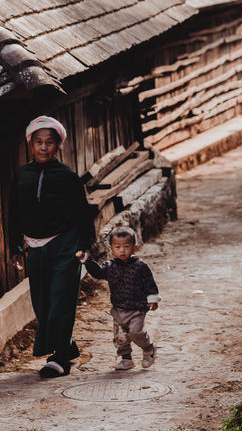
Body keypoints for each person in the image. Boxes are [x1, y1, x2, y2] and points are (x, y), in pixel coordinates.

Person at [10, 116, 95, 379]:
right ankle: (66, 347)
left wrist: (84, 245)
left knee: (61, 299)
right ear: (30, 144)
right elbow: (14, 211)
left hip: (65, 243)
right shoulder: (22, 175)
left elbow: (83, 212)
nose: (44, 147)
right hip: (36, 246)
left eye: (49, 142)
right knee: (42, 302)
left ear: (57, 145)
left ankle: (59, 358)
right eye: (39, 142)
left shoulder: (67, 177)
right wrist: (15, 245)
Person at [78, 226, 160, 370]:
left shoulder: (140, 266)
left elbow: (149, 283)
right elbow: (98, 273)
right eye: (118, 247)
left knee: (136, 332)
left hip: (137, 308)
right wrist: (87, 261)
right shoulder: (110, 266)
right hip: (118, 308)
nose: (122, 250)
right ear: (111, 248)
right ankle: (126, 359)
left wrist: (152, 298)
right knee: (120, 336)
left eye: (126, 246)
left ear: (134, 247)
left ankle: (148, 348)